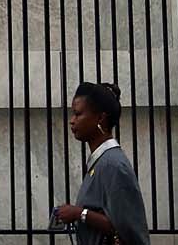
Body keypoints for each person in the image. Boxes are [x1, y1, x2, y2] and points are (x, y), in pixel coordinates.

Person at [52, 81, 150, 245]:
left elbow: (127, 228)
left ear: (100, 118)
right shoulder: (101, 161)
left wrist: (79, 213)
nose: (72, 121)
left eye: (78, 114)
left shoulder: (113, 164)